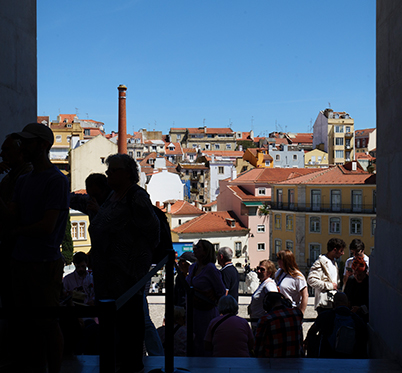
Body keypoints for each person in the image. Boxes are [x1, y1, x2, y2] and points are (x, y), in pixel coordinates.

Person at [89, 153, 160, 373]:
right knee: (115, 322)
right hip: (109, 275)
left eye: (113, 170)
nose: (108, 173)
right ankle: (117, 362)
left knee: (129, 320)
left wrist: (132, 261)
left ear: (127, 173)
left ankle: (130, 364)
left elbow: (152, 233)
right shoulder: (113, 196)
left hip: (127, 276)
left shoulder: (136, 197)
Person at [10, 123, 70, 373]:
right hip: (25, 260)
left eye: (28, 141)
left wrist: (16, 232)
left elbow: (46, 226)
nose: (22, 146)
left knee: (46, 324)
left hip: (43, 262)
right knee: (29, 325)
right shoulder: (24, 180)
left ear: (43, 146)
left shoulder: (56, 181)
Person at [0, 133, 32, 307]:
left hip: (19, 254)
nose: (2, 155)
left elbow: (11, 218)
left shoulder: (26, 179)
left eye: (6, 150)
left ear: (20, 153)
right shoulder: (9, 179)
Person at [186, 239, 226, 356]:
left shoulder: (210, 269)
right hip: (192, 311)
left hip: (205, 313)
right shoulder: (193, 267)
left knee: (204, 342)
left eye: (198, 248)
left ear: (206, 252)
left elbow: (221, 291)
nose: (194, 249)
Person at [304, 292, 368, 358]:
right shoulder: (357, 319)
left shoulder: (325, 316)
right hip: (351, 357)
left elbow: (312, 331)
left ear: (333, 304)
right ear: (348, 304)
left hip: (328, 355)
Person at [254, 292, 304, 358]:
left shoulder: (266, 319)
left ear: (267, 305)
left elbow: (258, 347)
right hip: (296, 361)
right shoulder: (297, 313)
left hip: (272, 363)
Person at [307, 238, 345, 314]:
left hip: (332, 302)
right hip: (324, 304)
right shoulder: (320, 262)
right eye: (341, 251)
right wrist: (329, 286)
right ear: (334, 250)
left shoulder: (334, 263)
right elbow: (311, 280)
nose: (343, 253)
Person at [248, 260, 278, 331]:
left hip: (262, 324)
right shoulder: (263, 283)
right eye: (258, 268)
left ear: (269, 273)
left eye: (262, 270)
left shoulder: (269, 284)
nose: (258, 271)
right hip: (257, 322)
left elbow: (274, 299)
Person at [275, 249, 308, 314]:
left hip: (291, 311)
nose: (277, 261)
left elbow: (305, 295)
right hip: (279, 310)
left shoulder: (298, 277)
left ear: (286, 260)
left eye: (279, 259)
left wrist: (301, 312)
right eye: (277, 259)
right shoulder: (279, 272)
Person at [344, 255, 369, 323]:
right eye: (355, 274)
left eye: (360, 275)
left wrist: (360, 308)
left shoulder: (369, 282)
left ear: (365, 272)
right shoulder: (351, 280)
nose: (357, 277)